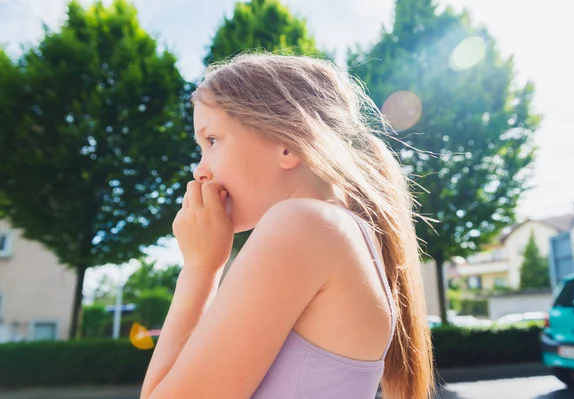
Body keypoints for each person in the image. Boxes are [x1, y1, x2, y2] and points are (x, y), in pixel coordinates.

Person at [140, 53, 434, 399]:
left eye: (213, 140)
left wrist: (200, 268)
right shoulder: (341, 233)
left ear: (288, 143)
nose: (199, 170)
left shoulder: (302, 223)